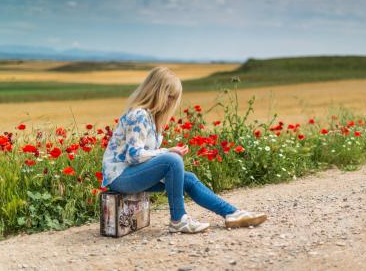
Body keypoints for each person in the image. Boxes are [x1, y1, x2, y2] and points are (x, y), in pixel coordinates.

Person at [101, 66, 267, 234]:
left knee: (188, 178)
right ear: (157, 92)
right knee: (172, 160)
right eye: (169, 96)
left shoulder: (151, 118)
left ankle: (232, 213)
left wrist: (166, 154)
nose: (170, 102)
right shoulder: (139, 115)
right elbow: (134, 156)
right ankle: (178, 219)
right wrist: (167, 152)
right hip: (120, 177)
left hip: (133, 174)